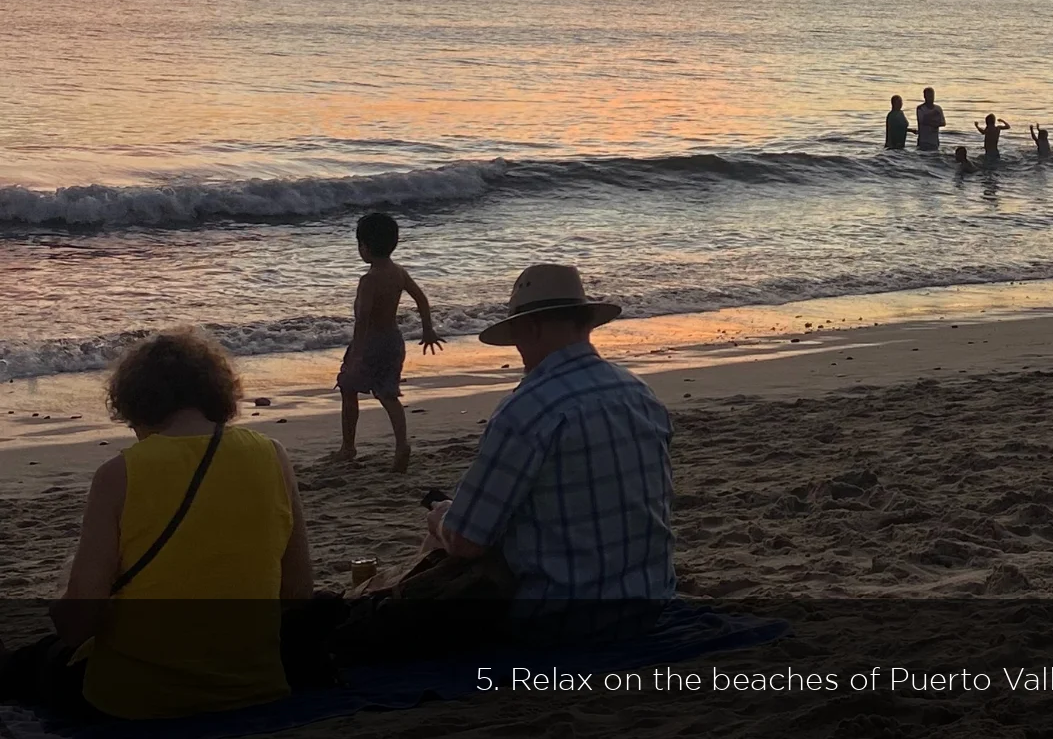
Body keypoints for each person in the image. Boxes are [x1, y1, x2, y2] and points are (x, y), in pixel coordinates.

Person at [0, 330, 313, 720]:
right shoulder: (272, 455)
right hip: (254, 687)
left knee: (34, 662)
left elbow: (77, 624)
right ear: (217, 393)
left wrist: (67, 584)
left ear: (134, 402)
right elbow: (298, 589)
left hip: (140, 701)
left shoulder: (119, 474)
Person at [425, 264, 675, 645]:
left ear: (532, 328)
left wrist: (441, 518)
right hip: (649, 600)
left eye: (517, 337)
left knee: (444, 543)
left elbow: (467, 540)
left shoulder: (529, 409)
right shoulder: (638, 392)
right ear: (584, 324)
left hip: (563, 616)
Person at [334, 213, 442, 472]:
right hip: (393, 341)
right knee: (388, 394)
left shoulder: (368, 281)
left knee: (348, 389)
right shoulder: (398, 273)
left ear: (365, 248)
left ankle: (348, 447)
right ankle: (401, 444)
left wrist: (356, 354)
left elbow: (362, 319)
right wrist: (428, 330)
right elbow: (422, 299)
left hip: (370, 342)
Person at [915, 87, 946, 152]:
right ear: (924, 96)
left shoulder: (938, 108)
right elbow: (923, 121)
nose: (931, 98)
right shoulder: (920, 108)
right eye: (929, 96)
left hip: (934, 141)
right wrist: (934, 121)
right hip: (923, 141)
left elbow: (943, 123)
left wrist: (935, 123)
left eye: (932, 95)